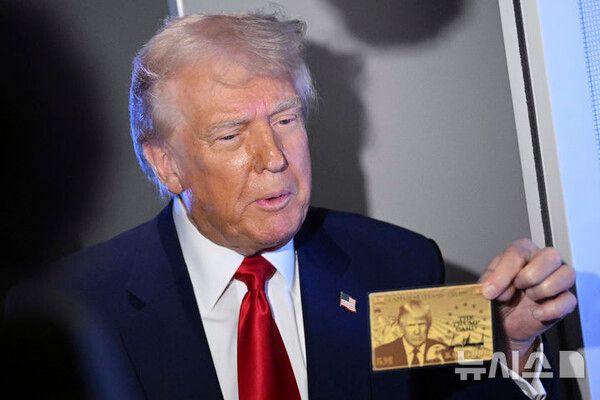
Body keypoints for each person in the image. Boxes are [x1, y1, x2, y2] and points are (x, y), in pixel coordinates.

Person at [5, 12, 577, 400]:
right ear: (165, 163)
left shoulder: (393, 268)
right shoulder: (78, 311)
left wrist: (512, 345)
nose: (274, 157)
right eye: (231, 134)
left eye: (285, 119)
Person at [374, 300, 454, 368]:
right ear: (401, 327)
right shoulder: (381, 353)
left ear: (429, 325)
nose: (417, 331)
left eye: (421, 324)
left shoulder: (444, 350)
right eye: (411, 325)